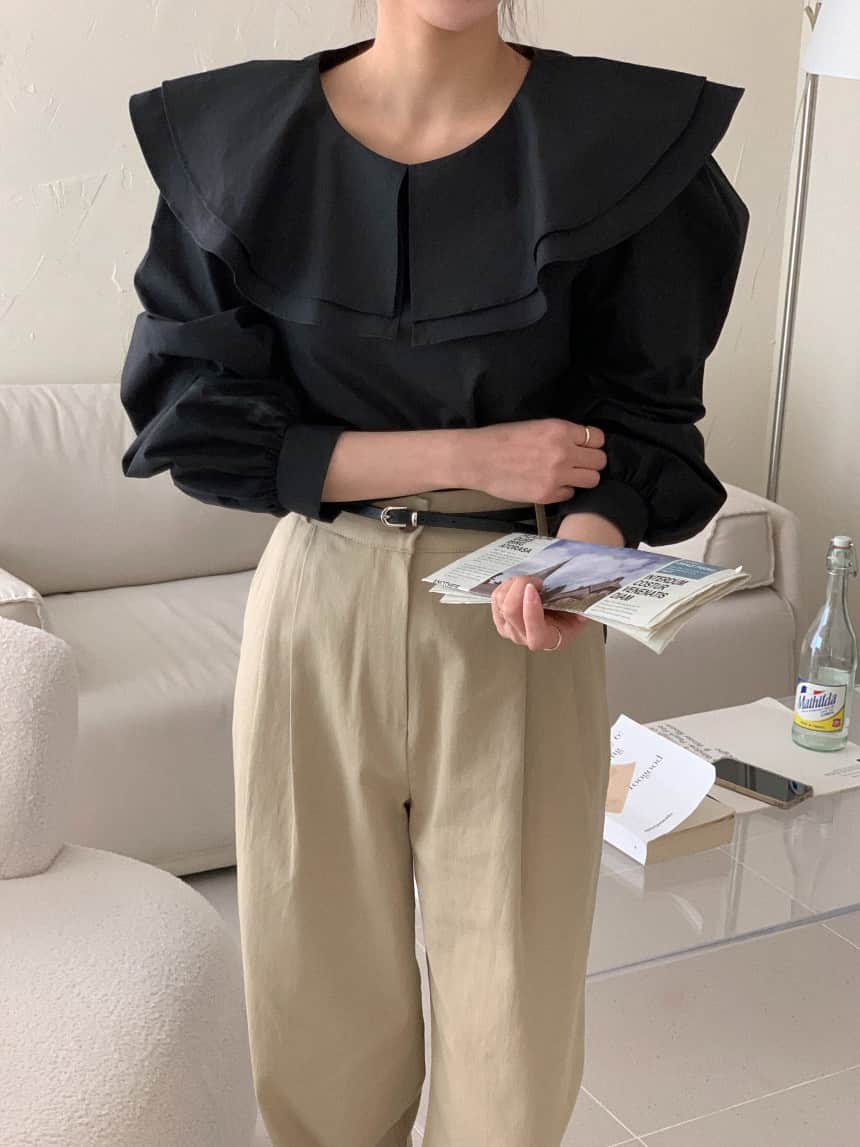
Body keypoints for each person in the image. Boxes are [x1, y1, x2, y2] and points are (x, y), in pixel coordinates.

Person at [118, 2, 749, 1143]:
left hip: (524, 610)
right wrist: (471, 454)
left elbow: (645, 421)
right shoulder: (238, 140)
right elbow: (196, 424)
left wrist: (583, 555)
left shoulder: (622, 137)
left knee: (512, 1013)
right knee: (313, 1002)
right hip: (320, 596)